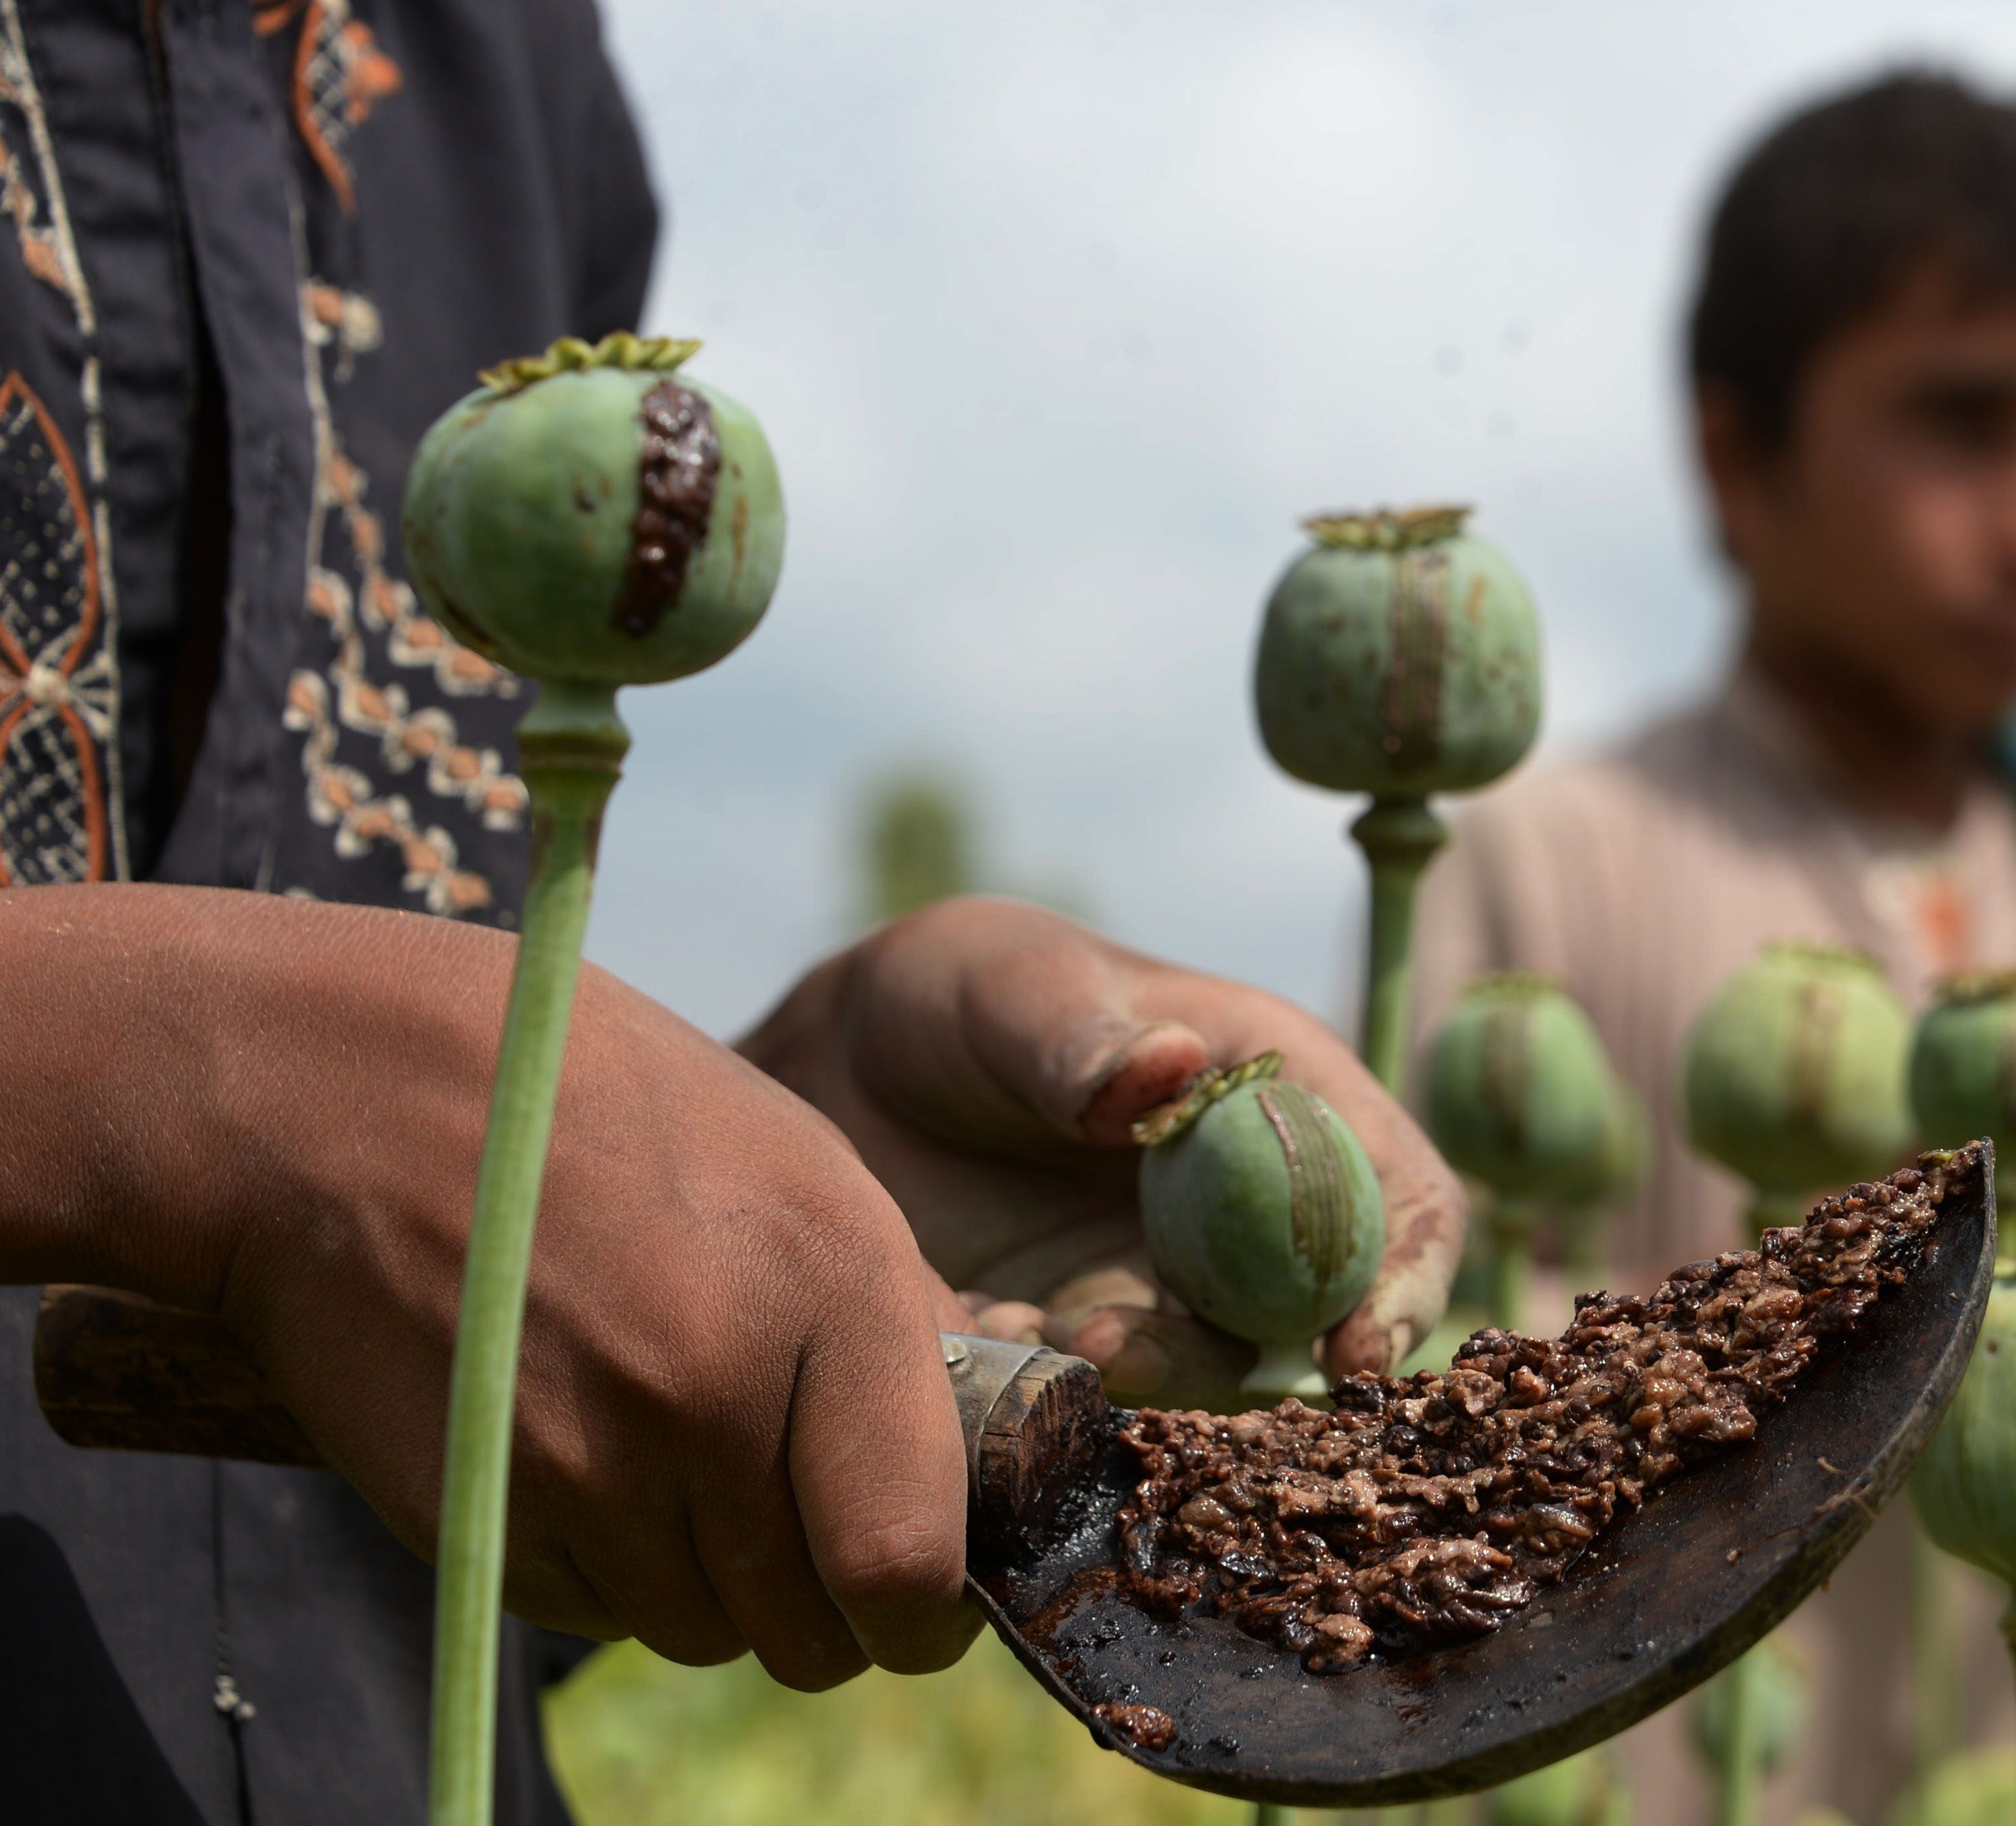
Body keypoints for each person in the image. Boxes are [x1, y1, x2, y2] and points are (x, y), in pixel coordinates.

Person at [0, 5, 1457, 1820]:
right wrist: (210, 1086)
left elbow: (424, 1315)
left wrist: (774, 1149)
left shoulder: (507, 62)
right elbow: (331, 1109)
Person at [1413, 69, 2016, 1825]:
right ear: (1737, 454)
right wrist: (1926, 1247)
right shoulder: (1555, 866)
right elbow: (1426, 1401)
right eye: (1967, 425)